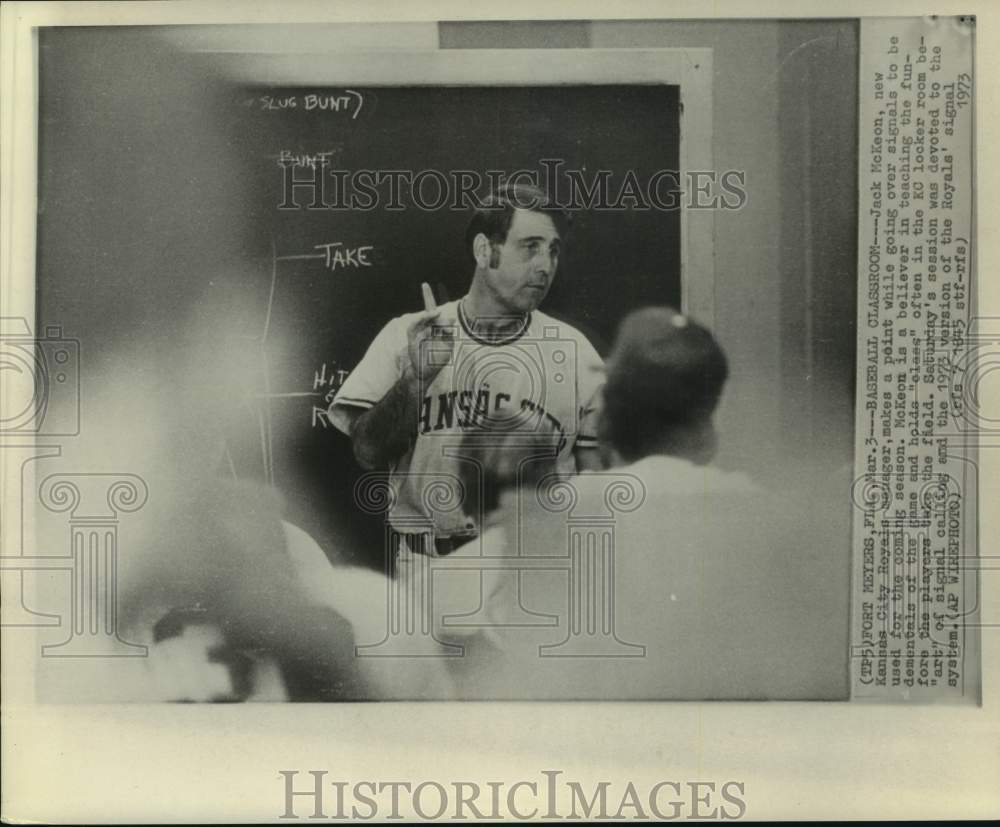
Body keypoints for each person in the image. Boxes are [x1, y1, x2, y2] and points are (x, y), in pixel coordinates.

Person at [454, 307, 848, 699]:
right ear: (708, 417)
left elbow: (512, 667)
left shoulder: (550, 518)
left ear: (608, 413)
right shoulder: (767, 513)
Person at [329, 183, 605, 561]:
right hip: (428, 560)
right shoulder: (408, 334)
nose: (545, 266)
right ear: (483, 250)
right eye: (530, 247)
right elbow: (367, 451)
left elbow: (599, 480)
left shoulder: (575, 352)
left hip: (535, 561)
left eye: (553, 251)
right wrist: (417, 377)